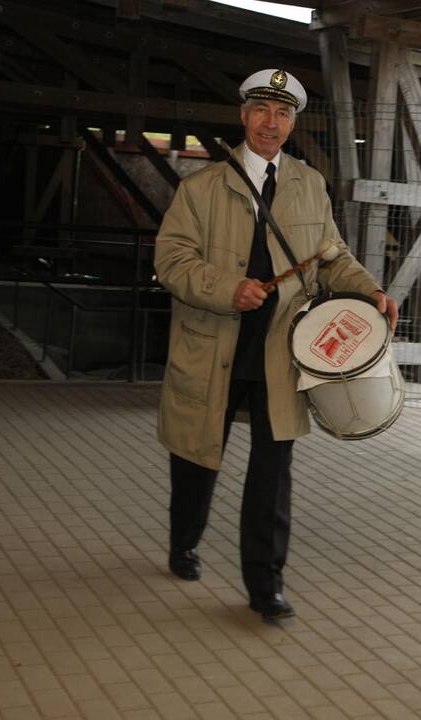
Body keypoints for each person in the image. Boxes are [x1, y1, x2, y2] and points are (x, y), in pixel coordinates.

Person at [154, 69, 398, 622]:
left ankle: (266, 586)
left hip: (281, 353)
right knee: (196, 459)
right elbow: (171, 260)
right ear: (243, 117)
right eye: (262, 110)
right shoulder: (201, 188)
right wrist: (224, 287)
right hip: (212, 345)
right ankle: (183, 541)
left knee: (273, 473)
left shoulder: (308, 184)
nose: (272, 122)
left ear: (292, 123)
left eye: (283, 113)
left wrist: (372, 291)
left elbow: (332, 255)